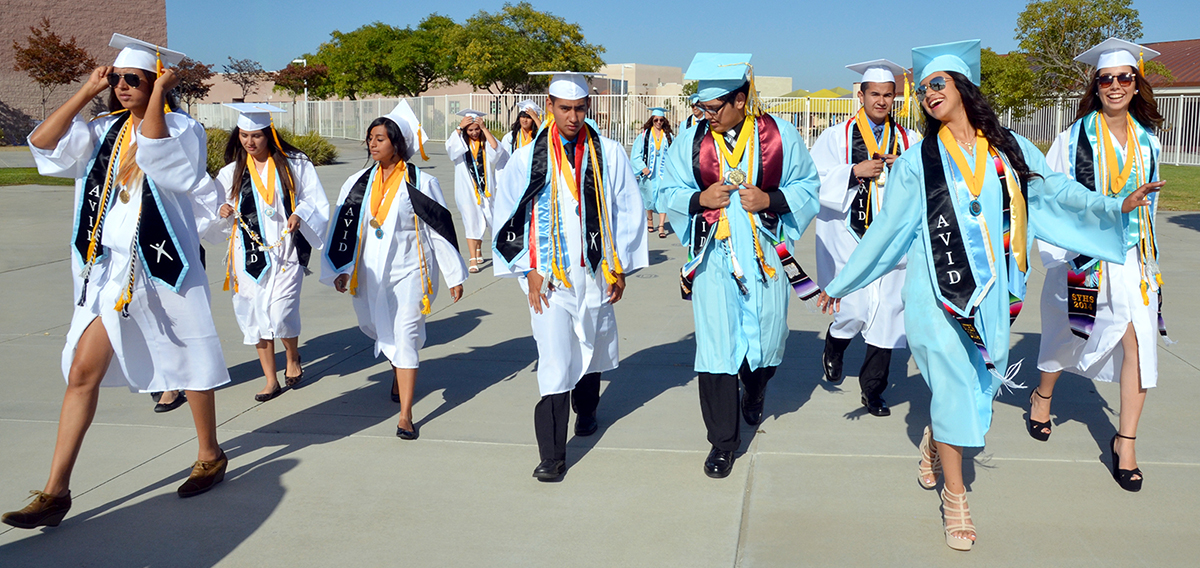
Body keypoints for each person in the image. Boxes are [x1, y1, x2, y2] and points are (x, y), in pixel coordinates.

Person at [817, 40, 1162, 551]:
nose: (930, 94)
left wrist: (1112, 205)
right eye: (925, 88)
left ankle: (938, 437)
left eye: (940, 83)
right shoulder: (919, 160)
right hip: (937, 293)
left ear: (962, 88)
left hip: (995, 293)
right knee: (956, 387)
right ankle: (956, 499)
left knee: (978, 384)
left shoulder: (1009, 147)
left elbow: (1054, 194)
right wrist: (842, 284)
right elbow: (888, 231)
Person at [2, 35, 231, 529]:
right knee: (82, 372)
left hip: (163, 266)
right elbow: (42, 144)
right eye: (120, 80)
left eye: (137, 80)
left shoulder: (182, 127)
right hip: (109, 271)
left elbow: (158, 159)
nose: (124, 87)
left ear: (155, 84)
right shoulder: (100, 128)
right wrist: (86, 92)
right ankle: (56, 491)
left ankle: (210, 454)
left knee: (188, 364)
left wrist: (159, 97)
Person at [658, 53, 821, 479]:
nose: (707, 115)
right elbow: (663, 190)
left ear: (741, 100)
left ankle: (755, 389)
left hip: (765, 257)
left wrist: (771, 200)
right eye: (703, 109)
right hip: (714, 261)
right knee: (716, 350)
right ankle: (722, 443)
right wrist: (698, 200)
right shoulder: (691, 143)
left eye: (715, 108)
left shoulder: (779, 136)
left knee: (766, 340)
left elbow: (808, 184)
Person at [493, 71, 648, 481]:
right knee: (555, 359)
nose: (574, 117)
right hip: (549, 277)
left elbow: (628, 210)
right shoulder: (527, 158)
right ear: (550, 106)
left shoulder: (609, 153)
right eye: (565, 109)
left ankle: (589, 409)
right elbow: (510, 215)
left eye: (580, 109)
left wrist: (621, 267)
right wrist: (526, 270)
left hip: (595, 271)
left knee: (592, 343)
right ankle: (552, 457)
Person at [1030, 39, 1167, 493]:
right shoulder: (1072, 140)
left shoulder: (1149, 141)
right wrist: (1061, 252)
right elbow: (1050, 200)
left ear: (1136, 83)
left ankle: (1125, 442)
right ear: (1097, 84)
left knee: (1138, 342)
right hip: (1086, 257)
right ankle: (1043, 394)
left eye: (1123, 78)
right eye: (1105, 79)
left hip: (1132, 260)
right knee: (1068, 334)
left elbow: (1150, 203)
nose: (1114, 86)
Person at [322, 102, 466, 440]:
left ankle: (406, 415)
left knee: (406, 333)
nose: (373, 144)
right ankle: (397, 369)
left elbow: (439, 230)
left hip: (410, 270)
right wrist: (341, 268)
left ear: (397, 143)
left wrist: (453, 274)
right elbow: (343, 228)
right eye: (370, 138)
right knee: (375, 327)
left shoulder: (421, 182)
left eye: (380, 139)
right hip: (370, 271)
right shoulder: (356, 183)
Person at [810, 60, 919, 417]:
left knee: (888, 314)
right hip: (848, 236)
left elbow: (925, 181)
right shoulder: (835, 137)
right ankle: (836, 343)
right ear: (861, 94)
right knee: (853, 308)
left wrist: (901, 165)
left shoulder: (908, 140)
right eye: (875, 94)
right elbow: (813, 181)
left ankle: (873, 391)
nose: (882, 101)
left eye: (889, 95)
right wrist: (853, 171)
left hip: (890, 242)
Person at [214, 103, 330, 402]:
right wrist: (222, 210)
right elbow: (213, 210)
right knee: (254, 312)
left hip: (286, 249)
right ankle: (270, 379)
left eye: (255, 136)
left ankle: (292, 356)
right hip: (248, 252)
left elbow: (313, 199)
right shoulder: (231, 173)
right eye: (243, 135)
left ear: (269, 135)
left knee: (281, 310)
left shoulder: (294, 163)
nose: (249, 143)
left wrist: (300, 213)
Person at [446, 109, 502, 273]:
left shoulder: (484, 143)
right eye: (470, 130)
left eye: (476, 129)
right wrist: (459, 127)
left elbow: (497, 151)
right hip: (467, 190)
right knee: (471, 220)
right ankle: (472, 258)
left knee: (485, 218)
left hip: (486, 190)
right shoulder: (460, 143)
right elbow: (450, 149)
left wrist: (485, 129)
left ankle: (478, 251)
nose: (474, 133)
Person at [631, 107, 674, 238]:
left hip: (662, 172)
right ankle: (650, 220)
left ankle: (661, 226)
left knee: (663, 197)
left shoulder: (669, 136)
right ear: (652, 120)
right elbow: (635, 155)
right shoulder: (643, 136)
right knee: (648, 196)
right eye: (656, 120)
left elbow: (674, 154)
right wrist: (643, 167)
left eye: (661, 120)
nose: (659, 122)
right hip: (649, 172)